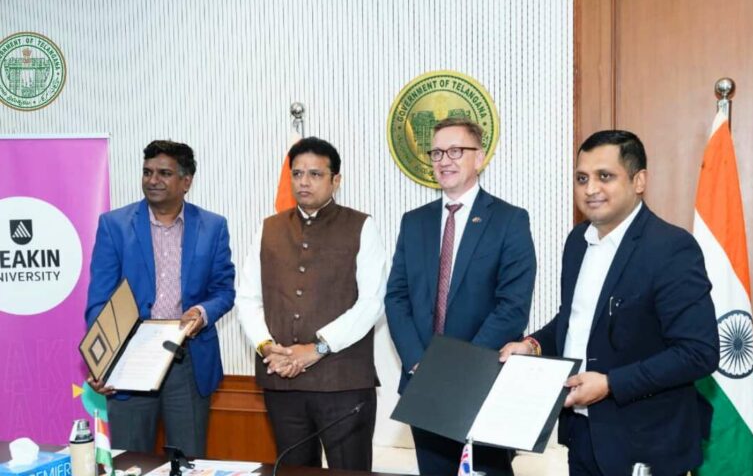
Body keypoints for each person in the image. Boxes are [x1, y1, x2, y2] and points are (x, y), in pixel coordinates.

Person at [500, 130, 719, 476]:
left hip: (647, 442)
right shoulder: (577, 241)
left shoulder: (671, 248)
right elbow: (576, 320)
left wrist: (610, 384)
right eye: (582, 178)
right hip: (583, 435)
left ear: (639, 181)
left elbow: (698, 352)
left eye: (605, 176)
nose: (590, 189)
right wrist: (533, 345)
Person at [386, 118, 537, 476]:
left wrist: (456, 368)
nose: (444, 160)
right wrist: (418, 362)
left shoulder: (509, 220)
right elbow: (396, 298)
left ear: (479, 157)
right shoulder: (414, 222)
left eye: (456, 151)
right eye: (437, 153)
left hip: (482, 380)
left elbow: (512, 306)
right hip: (423, 382)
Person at [235, 137, 386, 471]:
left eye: (315, 174)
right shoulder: (269, 229)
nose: (304, 182)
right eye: (298, 173)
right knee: (293, 471)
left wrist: (317, 349)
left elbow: (372, 302)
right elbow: (247, 298)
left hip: (342, 383)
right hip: (282, 381)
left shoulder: (361, 226)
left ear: (336, 180)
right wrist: (267, 347)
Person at [85, 140, 236, 457]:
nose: (152, 180)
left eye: (164, 173)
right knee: (129, 461)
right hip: (129, 359)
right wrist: (104, 361)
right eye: (147, 172)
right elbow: (100, 301)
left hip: (188, 359)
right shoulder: (114, 225)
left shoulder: (213, 227)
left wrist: (202, 312)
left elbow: (224, 290)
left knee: (187, 460)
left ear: (186, 181)